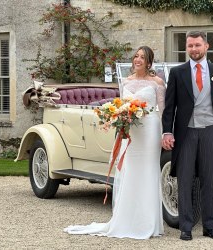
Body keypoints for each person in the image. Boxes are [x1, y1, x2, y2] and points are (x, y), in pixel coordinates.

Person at [64, 46, 166, 239]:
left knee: (148, 171)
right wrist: (120, 118)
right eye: (136, 56)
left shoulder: (157, 82)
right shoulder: (126, 81)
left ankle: (149, 223)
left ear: (149, 62)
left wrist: (164, 133)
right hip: (131, 132)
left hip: (150, 130)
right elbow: (121, 106)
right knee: (130, 171)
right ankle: (128, 220)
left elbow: (163, 109)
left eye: (142, 57)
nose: (138, 60)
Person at [161, 31, 213, 241]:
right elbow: (170, 106)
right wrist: (167, 131)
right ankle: (185, 227)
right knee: (184, 179)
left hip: (211, 130)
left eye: (197, 45)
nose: (193, 49)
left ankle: (209, 227)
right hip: (186, 132)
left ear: (206, 46)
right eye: (190, 45)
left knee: (208, 180)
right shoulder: (177, 73)